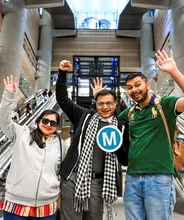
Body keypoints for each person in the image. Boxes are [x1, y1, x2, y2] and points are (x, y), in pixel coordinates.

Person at [116, 50, 184, 220]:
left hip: (159, 178)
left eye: (137, 84)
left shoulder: (165, 104)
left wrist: (174, 72)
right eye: (129, 87)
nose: (134, 89)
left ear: (147, 85)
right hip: (132, 178)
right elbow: (108, 123)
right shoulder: (129, 113)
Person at [56, 60, 130, 220]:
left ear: (115, 104)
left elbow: (125, 160)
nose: (105, 107)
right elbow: (63, 100)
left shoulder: (121, 126)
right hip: (73, 179)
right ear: (95, 104)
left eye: (109, 103)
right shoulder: (84, 116)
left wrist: (116, 146)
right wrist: (62, 74)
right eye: (101, 103)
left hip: (99, 183)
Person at [0, 75, 65, 220]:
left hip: (47, 203)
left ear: (56, 127)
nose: (48, 125)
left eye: (53, 123)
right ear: (38, 120)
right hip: (16, 201)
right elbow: (4, 120)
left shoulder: (60, 144)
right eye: (45, 120)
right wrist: (9, 95)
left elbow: (61, 171)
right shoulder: (22, 133)